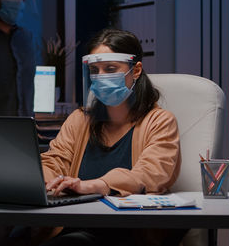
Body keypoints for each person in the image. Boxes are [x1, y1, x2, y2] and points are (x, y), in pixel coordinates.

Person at [35, 28, 185, 246]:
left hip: (127, 234)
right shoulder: (80, 119)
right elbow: (55, 159)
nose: (101, 77)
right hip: (74, 227)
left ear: (136, 70)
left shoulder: (160, 121)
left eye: (111, 69)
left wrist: (94, 185)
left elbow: (150, 175)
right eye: (95, 70)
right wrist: (43, 179)